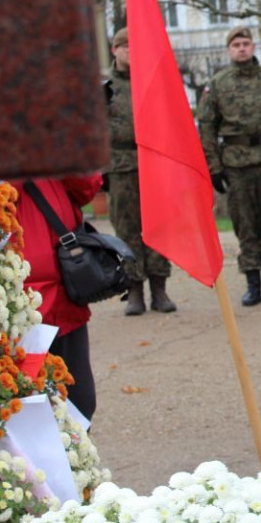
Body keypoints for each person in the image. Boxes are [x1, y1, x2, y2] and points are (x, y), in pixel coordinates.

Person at [198, 26, 261, 307]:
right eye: (236, 44)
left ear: (253, 47)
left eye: (246, 43)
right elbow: (207, 127)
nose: (241, 48)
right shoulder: (218, 84)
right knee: (245, 225)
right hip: (236, 165)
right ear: (229, 50)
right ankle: (253, 282)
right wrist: (213, 167)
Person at [11, 174, 104, 419]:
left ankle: (74, 457)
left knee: (80, 402)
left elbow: (87, 188)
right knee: (27, 407)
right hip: (20, 308)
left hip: (66, 297)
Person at [105, 28, 176, 315]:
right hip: (121, 167)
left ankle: (160, 289)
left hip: (154, 164)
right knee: (126, 230)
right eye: (126, 47)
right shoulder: (103, 86)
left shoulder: (154, 81)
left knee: (159, 226)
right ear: (115, 50)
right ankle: (134, 291)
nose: (131, 52)